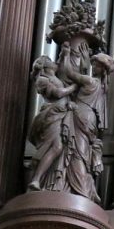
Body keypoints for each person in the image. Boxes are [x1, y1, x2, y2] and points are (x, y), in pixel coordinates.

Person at [28, 56, 77, 193]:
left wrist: (69, 103)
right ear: (45, 65)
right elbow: (58, 93)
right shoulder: (42, 80)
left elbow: (63, 97)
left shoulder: (55, 79)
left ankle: (37, 179)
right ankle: (36, 179)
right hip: (51, 116)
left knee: (58, 146)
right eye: (49, 59)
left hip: (60, 114)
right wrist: (74, 86)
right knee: (55, 146)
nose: (54, 61)